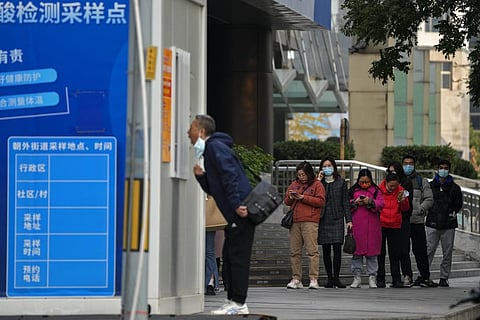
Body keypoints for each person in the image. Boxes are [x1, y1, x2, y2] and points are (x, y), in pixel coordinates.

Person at [188, 114, 255, 315]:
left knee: (237, 257)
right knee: (229, 254)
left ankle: (239, 303)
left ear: (201, 131)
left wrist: (236, 205)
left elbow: (229, 176)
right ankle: (232, 300)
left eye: (191, 127)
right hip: (236, 211)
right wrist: (201, 178)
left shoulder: (214, 147)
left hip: (241, 211)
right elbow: (215, 186)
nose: (187, 132)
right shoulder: (212, 149)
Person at [284, 161, 325, 289]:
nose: (301, 177)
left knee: (312, 251)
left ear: (309, 174)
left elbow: (321, 201)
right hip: (295, 221)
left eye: (303, 174)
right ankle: (296, 278)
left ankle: (314, 278)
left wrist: (303, 198)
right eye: (299, 174)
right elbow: (286, 201)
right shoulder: (294, 184)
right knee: (294, 251)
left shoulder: (317, 185)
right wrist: (291, 197)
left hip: (310, 221)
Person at [426, 159, 463, 287]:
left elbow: (459, 203)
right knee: (429, 250)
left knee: (447, 252)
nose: (443, 170)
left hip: (449, 224)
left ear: (449, 170)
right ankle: (425, 275)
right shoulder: (431, 186)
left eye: (445, 168)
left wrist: (453, 212)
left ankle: (444, 277)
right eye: (441, 167)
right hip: (432, 223)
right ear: (437, 169)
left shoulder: (455, 187)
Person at [401, 155, 437, 287]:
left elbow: (429, 199)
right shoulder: (399, 180)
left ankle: (424, 276)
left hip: (417, 220)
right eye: (405, 163)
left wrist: (421, 209)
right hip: (402, 221)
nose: (408, 166)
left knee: (420, 250)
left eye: (410, 163)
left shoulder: (421, 181)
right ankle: (407, 276)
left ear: (414, 165)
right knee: (404, 250)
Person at [317, 156, 352, 288]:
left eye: (329, 166)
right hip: (323, 218)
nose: (327, 169)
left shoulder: (341, 182)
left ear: (334, 167)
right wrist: (318, 180)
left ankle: (336, 278)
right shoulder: (319, 183)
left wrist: (349, 220)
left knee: (337, 248)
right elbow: (314, 195)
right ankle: (329, 278)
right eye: (324, 166)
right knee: (326, 249)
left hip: (337, 217)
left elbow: (345, 202)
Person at [349, 169, 384, 288]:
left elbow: (381, 203)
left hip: (372, 226)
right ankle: (357, 276)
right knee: (356, 253)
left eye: (367, 182)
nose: (364, 184)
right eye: (362, 182)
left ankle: (372, 277)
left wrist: (370, 201)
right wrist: (355, 202)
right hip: (357, 226)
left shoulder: (376, 191)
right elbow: (346, 204)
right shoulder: (353, 190)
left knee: (372, 254)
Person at [377, 172, 410, 288]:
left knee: (395, 254)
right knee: (380, 253)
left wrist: (403, 201)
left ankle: (396, 279)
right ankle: (380, 278)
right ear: (386, 183)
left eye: (395, 186)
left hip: (395, 224)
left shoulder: (400, 191)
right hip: (381, 224)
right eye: (391, 186)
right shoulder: (379, 190)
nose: (393, 188)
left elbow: (405, 209)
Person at [386, 162, 414, 287]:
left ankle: (407, 274)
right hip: (390, 221)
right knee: (394, 251)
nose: (392, 174)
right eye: (390, 172)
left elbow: (408, 205)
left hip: (403, 220)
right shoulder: (385, 186)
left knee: (404, 249)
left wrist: (402, 201)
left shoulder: (405, 184)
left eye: (394, 172)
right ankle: (396, 278)